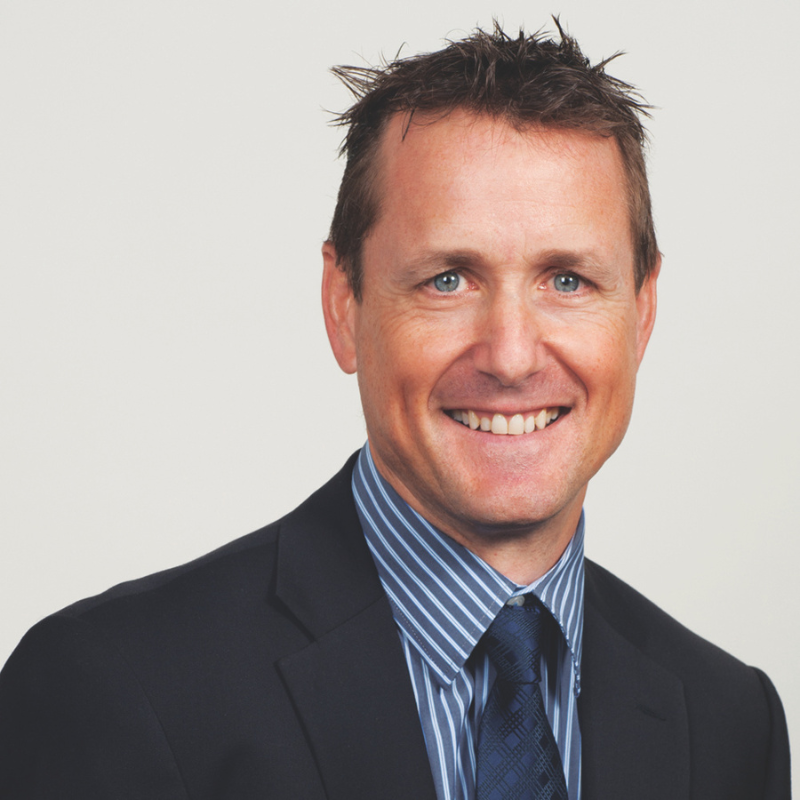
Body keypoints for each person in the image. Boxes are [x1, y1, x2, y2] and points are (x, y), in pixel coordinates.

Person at [0, 22, 790, 800]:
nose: (511, 355)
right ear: (343, 305)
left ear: (643, 312)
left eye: (568, 280)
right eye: (449, 278)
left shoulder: (727, 721)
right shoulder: (111, 688)